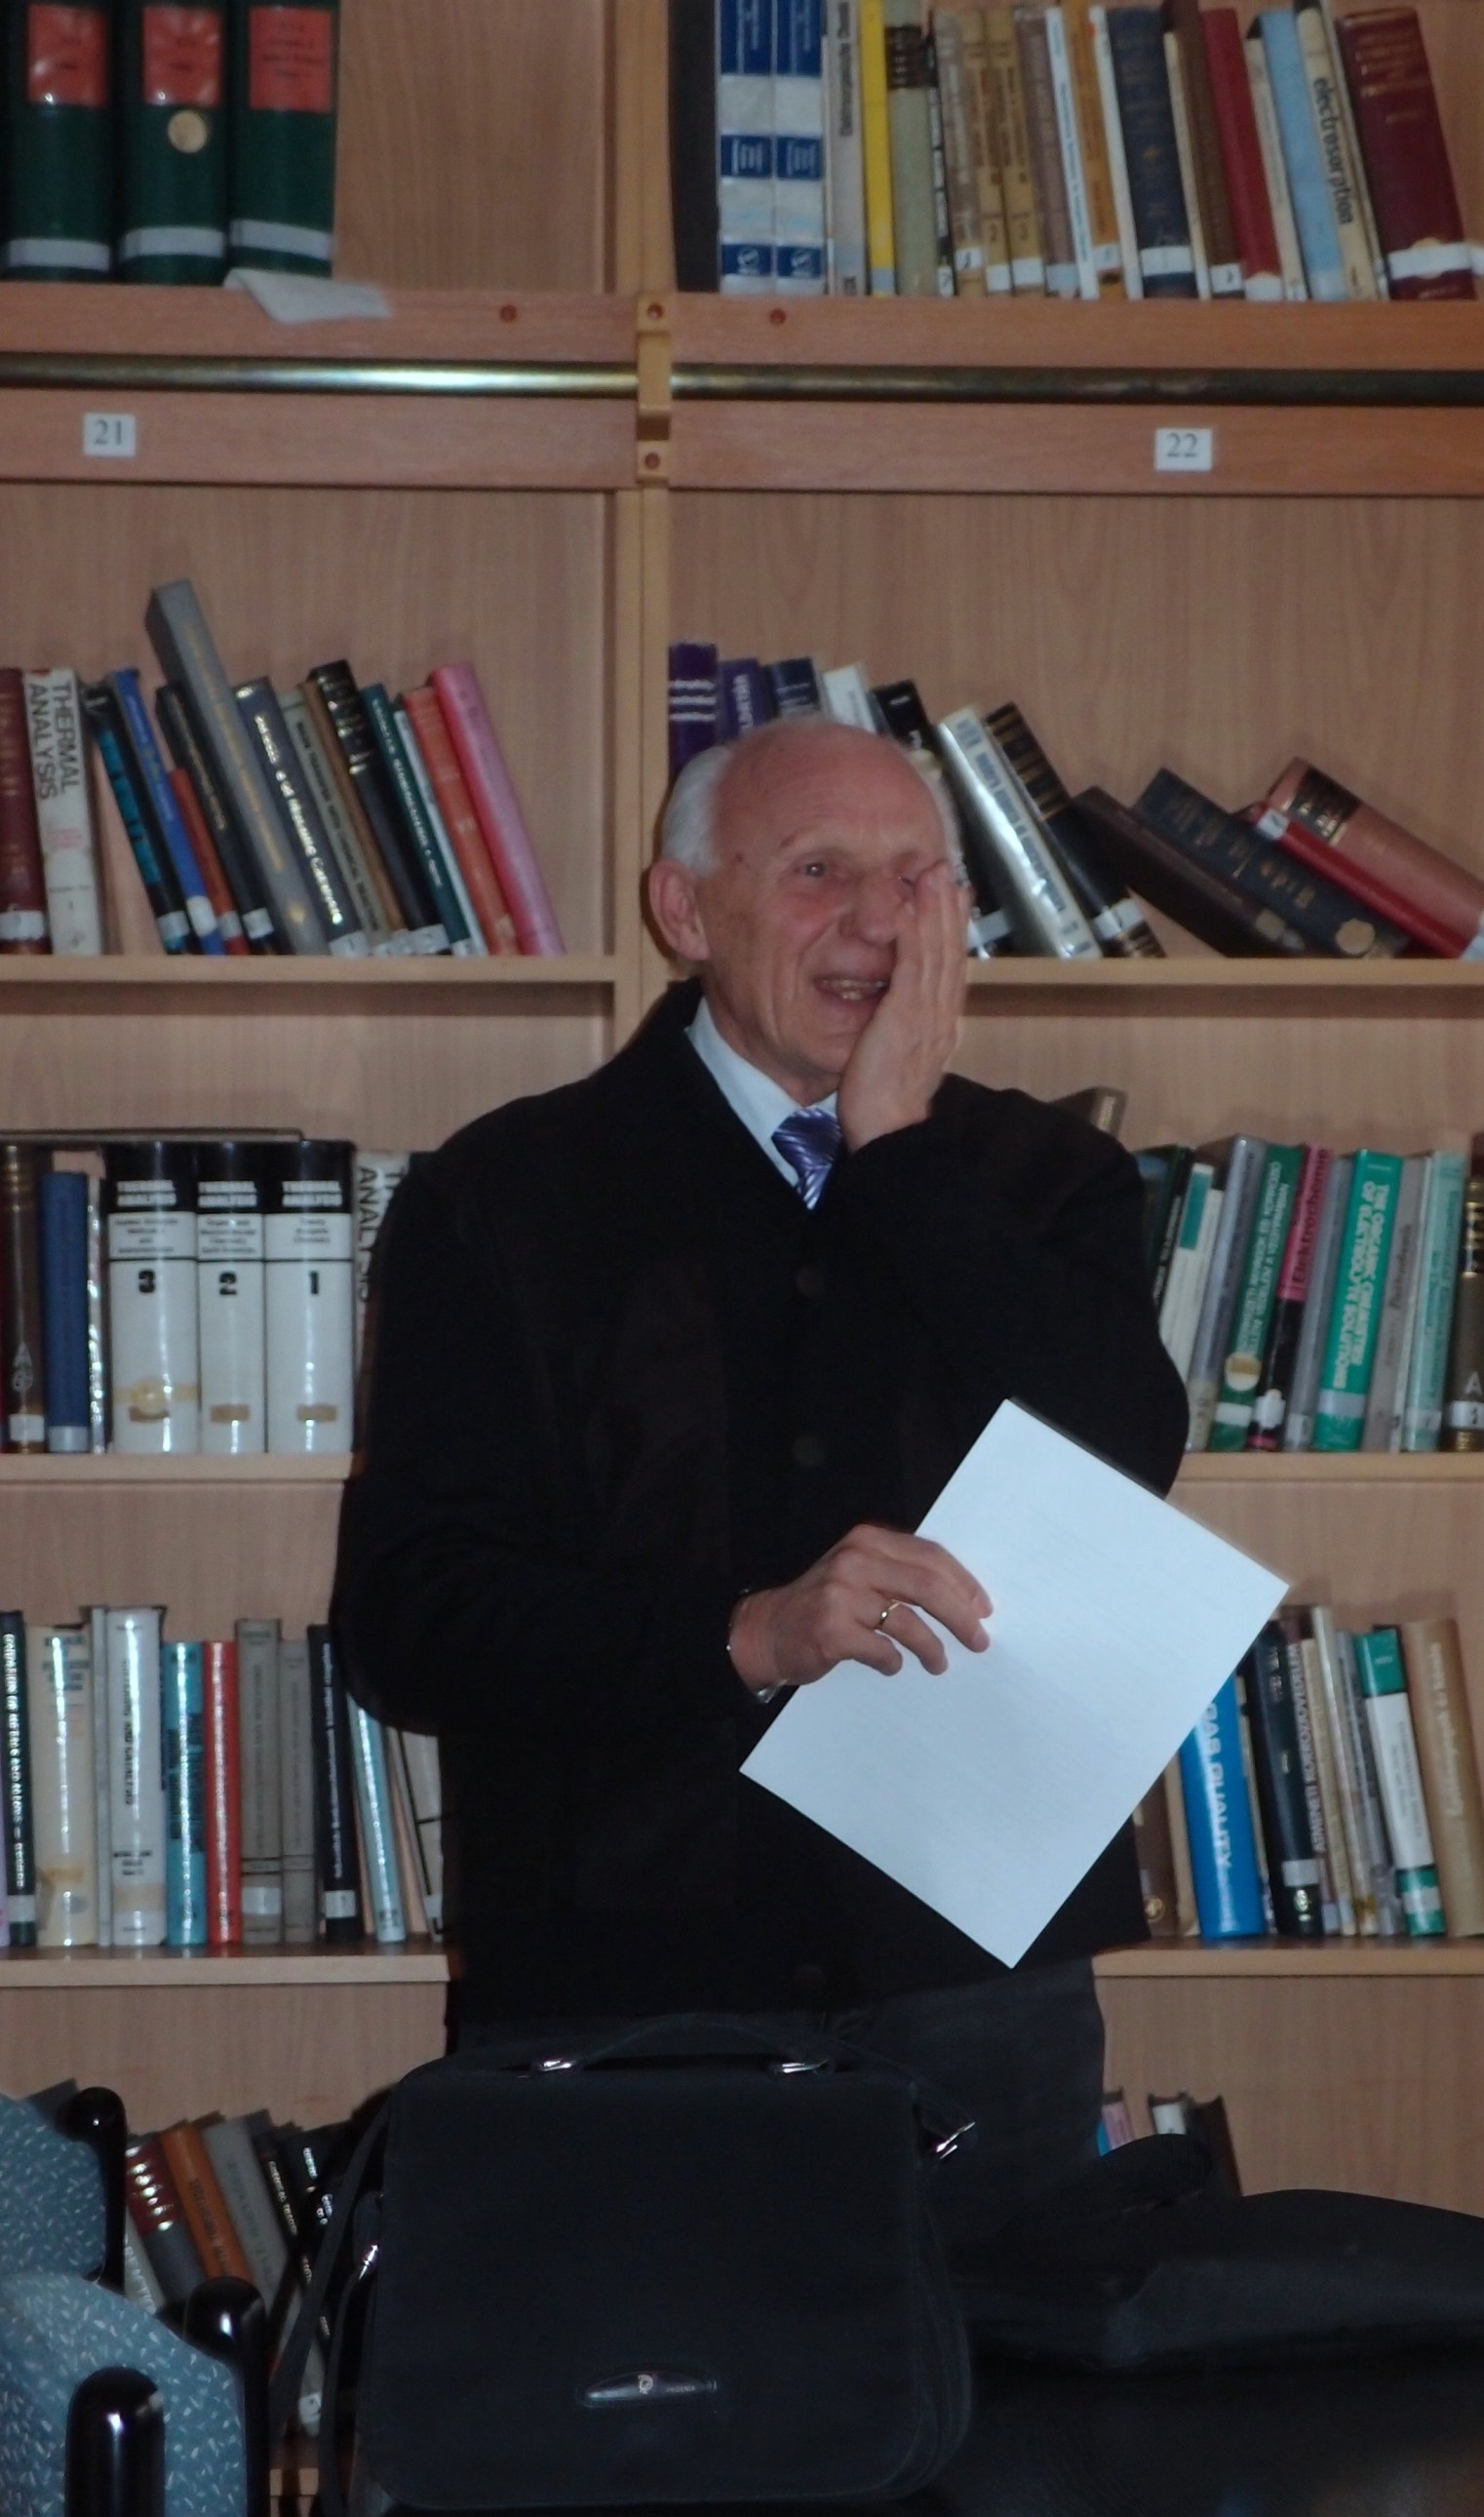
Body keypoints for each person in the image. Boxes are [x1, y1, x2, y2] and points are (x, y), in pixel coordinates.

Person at [332, 715, 1189, 2251]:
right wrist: (746, 1633)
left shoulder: (1048, 1183)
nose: (878, 923)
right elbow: (409, 1620)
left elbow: (1125, 1460)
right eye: (818, 873)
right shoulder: (504, 1194)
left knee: (1005, 2399)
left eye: (917, 880)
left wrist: (898, 1150)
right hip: (618, 1990)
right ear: (683, 908)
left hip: (974, 1980)